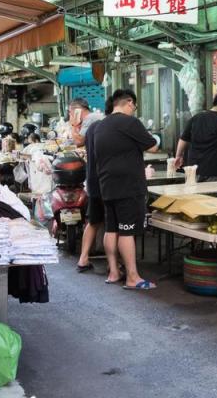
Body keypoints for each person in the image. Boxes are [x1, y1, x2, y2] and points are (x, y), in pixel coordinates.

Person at [94, 89, 158, 290]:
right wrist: (155, 137)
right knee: (127, 231)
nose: (134, 110)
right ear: (129, 102)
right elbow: (153, 146)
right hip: (128, 186)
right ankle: (132, 277)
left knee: (112, 228)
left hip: (107, 184)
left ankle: (113, 272)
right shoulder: (129, 122)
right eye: (134, 106)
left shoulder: (100, 126)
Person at [175, 91, 217, 182]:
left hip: (193, 172)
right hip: (215, 172)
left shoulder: (196, 118)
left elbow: (183, 139)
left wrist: (178, 156)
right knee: (214, 196)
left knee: (195, 196)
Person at [76, 96, 111, 273]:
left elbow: (79, 143)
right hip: (107, 181)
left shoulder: (91, 127)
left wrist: (73, 125)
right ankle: (115, 266)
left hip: (93, 181)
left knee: (93, 220)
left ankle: (83, 258)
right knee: (113, 223)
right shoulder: (109, 127)